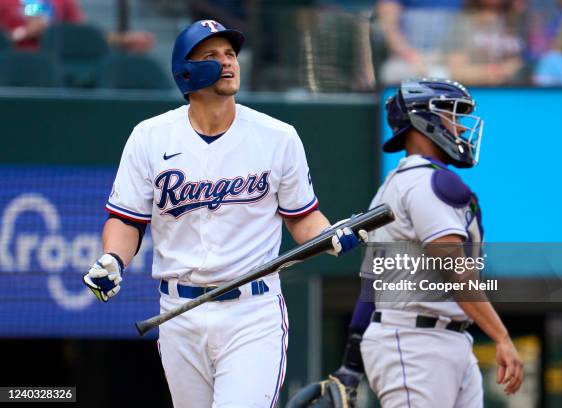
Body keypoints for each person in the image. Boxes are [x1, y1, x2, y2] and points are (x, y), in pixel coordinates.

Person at [81, 19, 367, 408]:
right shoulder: (150, 136)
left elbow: (302, 217)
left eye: (230, 54)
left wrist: (329, 235)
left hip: (252, 310)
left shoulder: (277, 136)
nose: (228, 62)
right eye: (212, 56)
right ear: (186, 71)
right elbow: (127, 219)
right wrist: (113, 258)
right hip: (178, 310)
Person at [287, 79, 523, 408]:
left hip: (438, 338)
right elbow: (454, 270)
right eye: (451, 114)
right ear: (422, 119)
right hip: (416, 344)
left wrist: (351, 366)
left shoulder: (393, 185)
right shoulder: (427, 182)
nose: (459, 126)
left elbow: (371, 290)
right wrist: (501, 336)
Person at [0, 0, 153, 53]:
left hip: (58, 67)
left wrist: (123, 39)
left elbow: (84, 35)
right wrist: (23, 33)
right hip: (12, 65)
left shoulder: (62, 2)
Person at [376, 0, 464, 84]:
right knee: (394, 72)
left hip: (444, 58)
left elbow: (463, 32)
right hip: (406, 58)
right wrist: (413, 57)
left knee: (443, 75)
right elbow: (390, 28)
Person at [445, 0, 526, 85]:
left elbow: (522, 64)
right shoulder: (463, 23)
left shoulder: (518, 20)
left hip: (514, 92)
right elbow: (456, 72)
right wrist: (498, 71)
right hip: (476, 91)